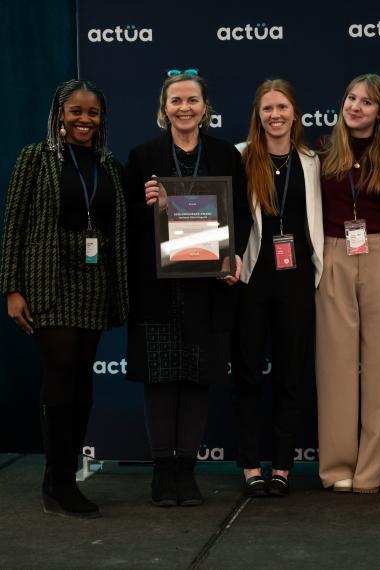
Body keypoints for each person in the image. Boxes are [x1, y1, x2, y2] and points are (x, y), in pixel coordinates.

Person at [0, 79, 128, 518]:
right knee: (60, 374)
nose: (84, 119)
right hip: (47, 278)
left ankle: (65, 473)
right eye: (75, 111)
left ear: (101, 118)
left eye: (92, 112)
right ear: (59, 115)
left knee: (82, 381)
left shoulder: (109, 166)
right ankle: (57, 482)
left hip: (95, 280)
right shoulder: (34, 159)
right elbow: (13, 225)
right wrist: (12, 288)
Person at [124, 70, 248, 507]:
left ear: (205, 108)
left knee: (197, 381)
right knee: (160, 381)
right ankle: (162, 474)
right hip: (158, 291)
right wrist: (146, 204)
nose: (184, 107)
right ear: (164, 108)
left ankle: (186, 472)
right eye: (176, 100)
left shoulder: (225, 156)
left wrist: (232, 258)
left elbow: (244, 218)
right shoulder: (142, 157)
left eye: (192, 100)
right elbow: (125, 224)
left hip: (208, 290)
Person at [233, 79, 323, 497]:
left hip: (297, 279)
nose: (275, 115)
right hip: (251, 278)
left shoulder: (312, 161)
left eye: (282, 107)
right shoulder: (240, 157)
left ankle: (283, 467)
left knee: (290, 375)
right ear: (258, 115)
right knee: (248, 375)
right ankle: (251, 465)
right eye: (267, 108)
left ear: (294, 113)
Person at [315, 74, 380, 494]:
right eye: (350, 98)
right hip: (333, 254)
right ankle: (336, 468)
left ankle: (370, 473)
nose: (355, 107)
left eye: (366, 102)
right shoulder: (321, 152)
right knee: (335, 366)